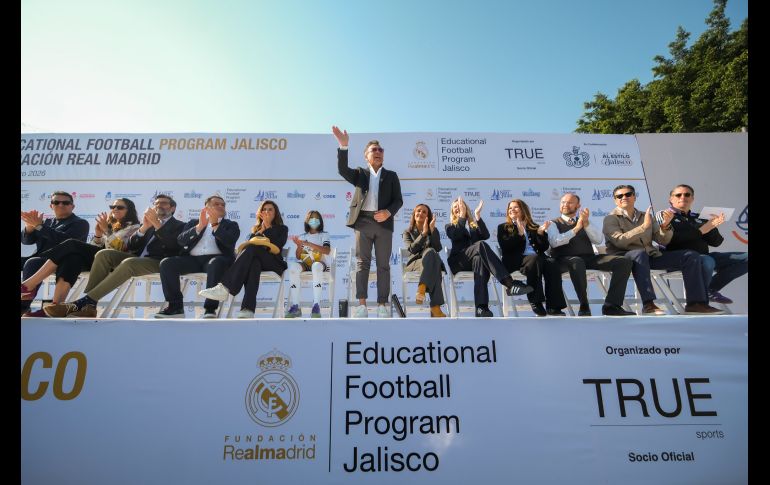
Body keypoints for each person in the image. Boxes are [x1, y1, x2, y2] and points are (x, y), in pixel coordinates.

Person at [43, 194, 186, 318]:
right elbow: (131, 246)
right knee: (103, 254)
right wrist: (143, 228)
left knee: (130, 263)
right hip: (138, 258)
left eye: (164, 203)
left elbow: (174, 247)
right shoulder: (146, 225)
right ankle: (89, 307)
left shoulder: (181, 225)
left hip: (160, 261)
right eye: (156, 203)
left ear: (172, 208)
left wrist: (157, 225)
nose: (159, 206)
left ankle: (85, 302)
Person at [602, 184, 723, 315]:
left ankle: (695, 304)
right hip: (623, 257)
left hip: (648, 256)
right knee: (639, 254)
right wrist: (643, 227)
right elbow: (620, 241)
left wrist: (665, 227)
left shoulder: (645, 216)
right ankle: (649, 304)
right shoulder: (610, 218)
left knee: (691, 255)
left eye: (628, 194)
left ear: (634, 197)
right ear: (615, 200)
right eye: (619, 196)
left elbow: (663, 240)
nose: (624, 197)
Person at [21, 198, 141, 317]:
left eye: (119, 207)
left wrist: (106, 231)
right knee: (72, 258)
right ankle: (55, 307)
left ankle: (27, 286)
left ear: (129, 210)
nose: (115, 209)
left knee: (72, 244)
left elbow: (123, 249)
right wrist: (99, 236)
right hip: (101, 259)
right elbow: (98, 248)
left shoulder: (135, 227)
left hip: (116, 262)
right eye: (112, 207)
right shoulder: (112, 225)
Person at [333, 126, 403, 319]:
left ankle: (382, 304)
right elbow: (341, 169)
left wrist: (388, 212)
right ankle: (362, 305)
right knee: (362, 264)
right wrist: (343, 146)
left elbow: (398, 200)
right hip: (362, 222)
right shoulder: (359, 174)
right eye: (374, 150)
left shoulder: (391, 176)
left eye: (381, 150)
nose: (378, 152)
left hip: (384, 225)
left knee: (383, 266)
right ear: (366, 156)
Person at [656, 184, 747, 305]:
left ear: (692, 199)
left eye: (687, 194)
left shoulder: (699, 217)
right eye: (678, 195)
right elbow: (669, 240)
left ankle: (709, 289)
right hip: (678, 258)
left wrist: (712, 226)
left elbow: (716, 242)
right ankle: (700, 298)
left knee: (745, 258)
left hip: (704, 256)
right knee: (707, 260)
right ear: (671, 199)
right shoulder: (664, 215)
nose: (683, 197)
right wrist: (702, 230)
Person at [547, 193, 635, 316]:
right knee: (576, 261)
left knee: (623, 262)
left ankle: (612, 305)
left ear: (578, 206)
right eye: (563, 202)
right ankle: (584, 304)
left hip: (588, 258)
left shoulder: (585, 221)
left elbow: (598, 240)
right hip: (563, 259)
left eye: (570, 202)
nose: (565, 205)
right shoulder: (553, 223)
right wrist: (575, 229)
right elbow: (555, 242)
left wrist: (586, 224)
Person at [198, 199, 288, 318]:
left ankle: (225, 287)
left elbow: (276, 244)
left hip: (274, 263)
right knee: (253, 263)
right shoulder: (255, 230)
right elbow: (251, 244)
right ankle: (247, 309)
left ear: (275, 213)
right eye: (264, 209)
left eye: (270, 209)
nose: (267, 211)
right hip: (259, 263)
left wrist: (267, 226)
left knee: (252, 248)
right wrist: (261, 229)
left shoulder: (282, 228)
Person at [154, 195, 240, 319]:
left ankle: (210, 309)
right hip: (193, 260)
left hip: (217, 259)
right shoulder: (194, 223)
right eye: (216, 204)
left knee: (215, 263)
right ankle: (175, 307)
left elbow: (229, 241)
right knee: (167, 263)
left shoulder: (231, 225)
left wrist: (215, 223)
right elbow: (181, 241)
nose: (221, 206)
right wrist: (199, 227)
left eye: (223, 205)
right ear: (206, 208)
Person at [446, 195, 533, 318]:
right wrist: (461, 217)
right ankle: (509, 283)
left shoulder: (473, 226)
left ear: (466, 208)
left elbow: (485, 235)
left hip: (473, 261)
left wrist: (477, 216)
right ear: (452, 211)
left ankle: (481, 308)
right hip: (458, 262)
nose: (458, 208)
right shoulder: (450, 226)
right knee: (480, 245)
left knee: (480, 260)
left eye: (460, 206)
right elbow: (456, 236)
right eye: (455, 207)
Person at [20, 191, 89, 315]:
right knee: (31, 260)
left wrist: (39, 226)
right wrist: (29, 229)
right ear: (51, 206)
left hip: (63, 262)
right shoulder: (46, 222)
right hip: (41, 258)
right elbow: (27, 241)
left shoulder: (80, 223)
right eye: (56, 202)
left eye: (65, 202)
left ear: (72, 206)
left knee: (32, 262)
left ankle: (23, 305)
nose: (60, 205)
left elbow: (67, 242)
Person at [498, 199, 567, 317]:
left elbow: (543, 247)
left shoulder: (533, 226)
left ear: (523, 210)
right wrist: (519, 234)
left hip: (536, 259)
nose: (512, 210)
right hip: (515, 261)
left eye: (515, 207)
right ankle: (536, 301)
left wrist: (540, 233)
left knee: (552, 263)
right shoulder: (504, 227)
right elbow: (505, 246)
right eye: (510, 208)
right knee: (535, 259)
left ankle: (554, 306)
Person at [285, 210, 332, 318]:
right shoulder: (302, 236)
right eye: (311, 218)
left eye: (317, 218)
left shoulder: (324, 235)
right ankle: (296, 306)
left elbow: (326, 251)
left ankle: (316, 306)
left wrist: (308, 244)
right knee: (293, 268)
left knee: (316, 266)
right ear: (307, 221)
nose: (314, 220)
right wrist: (299, 246)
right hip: (305, 264)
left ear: (320, 221)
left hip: (320, 263)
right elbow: (298, 256)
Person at [403, 203, 447, 318]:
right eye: (418, 211)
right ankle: (435, 307)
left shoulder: (433, 229)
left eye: (424, 212)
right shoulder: (408, 232)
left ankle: (422, 287)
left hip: (430, 263)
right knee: (433, 260)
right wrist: (423, 234)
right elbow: (412, 250)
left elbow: (438, 248)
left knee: (432, 253)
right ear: (414, 214)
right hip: (415, 263)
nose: (421, 213)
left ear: (428, 216)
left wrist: (432, 231)